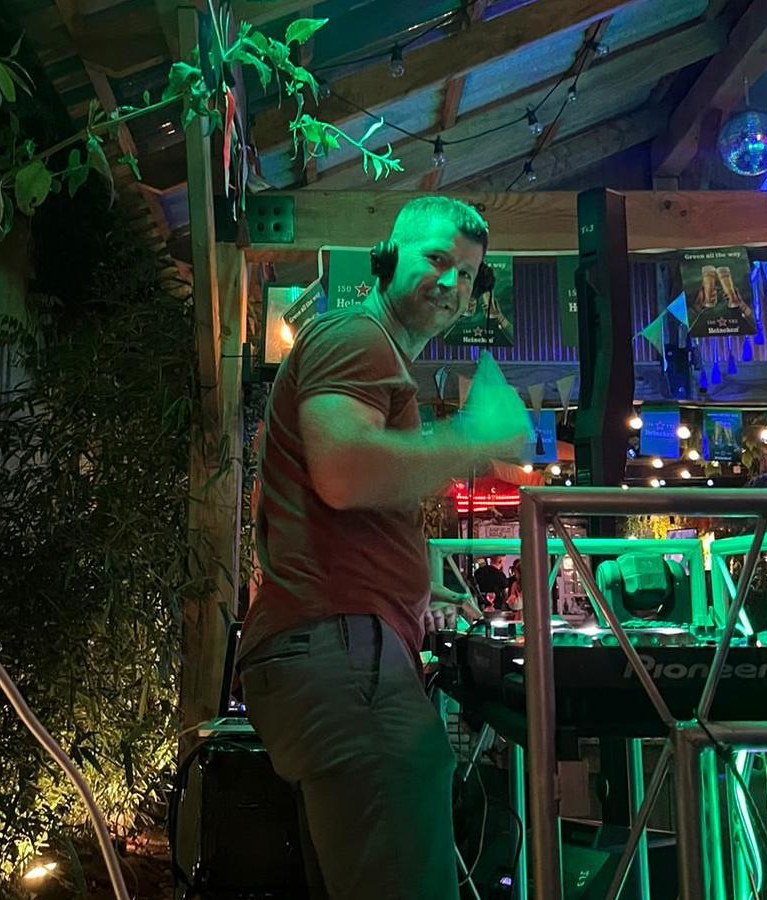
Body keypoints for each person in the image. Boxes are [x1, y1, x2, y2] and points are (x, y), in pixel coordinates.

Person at [237, 196, 533, 900]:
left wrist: (415, 584)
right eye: (437, 259)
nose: (453, 283)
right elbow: (344, 471)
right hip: (343, 651)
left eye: (468, 274)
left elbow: (336, 502)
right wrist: (472, 438)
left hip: (336, 647)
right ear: (386, 257)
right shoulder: (358, 337)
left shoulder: (370, 351)